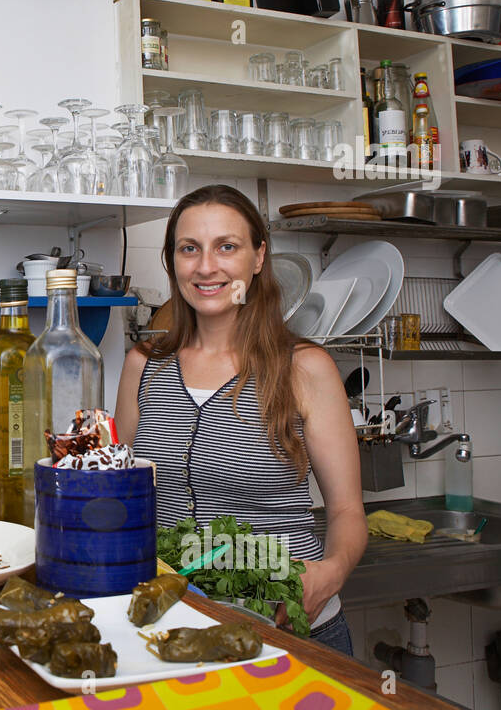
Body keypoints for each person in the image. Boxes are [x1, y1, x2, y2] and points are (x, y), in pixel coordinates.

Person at [114, 184, 366, 655]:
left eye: (226, 247)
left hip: (289, 626)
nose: (207, 266)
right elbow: (123, 498)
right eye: (189, 249)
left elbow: (348, 511)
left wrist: (330, 572)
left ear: (258, 257)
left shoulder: (304, 367)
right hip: (173, 626)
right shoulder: (143, 365)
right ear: (172, 263)